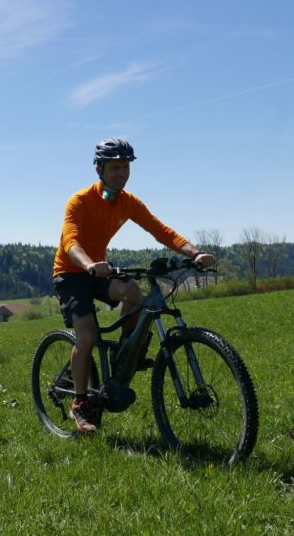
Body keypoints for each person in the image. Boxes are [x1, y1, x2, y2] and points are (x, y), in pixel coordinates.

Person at [53, 138, 216, 432]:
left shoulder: (128, 202)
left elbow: (160, 230)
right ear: (99, 168)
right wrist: (89, 264)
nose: (122, 173)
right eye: (115, 167)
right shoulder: (79, 201)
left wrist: (194, 252)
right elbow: (70, 242)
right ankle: (80, 404)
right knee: (87, 336)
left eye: (126, 167)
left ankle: (126, 354)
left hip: (99, 270)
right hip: (72, 273)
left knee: (133, 292)